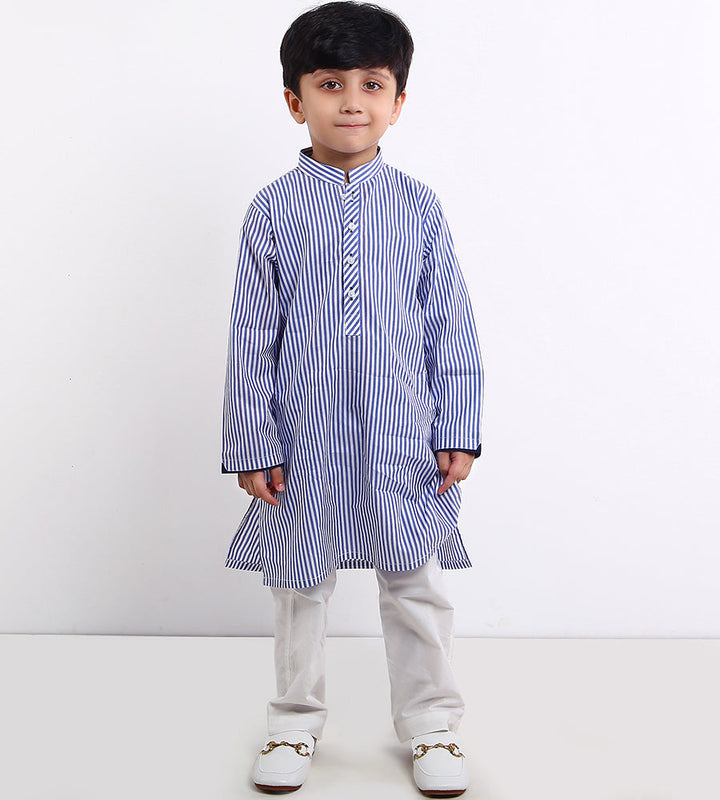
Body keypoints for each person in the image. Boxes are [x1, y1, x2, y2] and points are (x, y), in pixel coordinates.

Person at [221, 2, 484, 795]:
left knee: (414, 584)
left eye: (373, 84)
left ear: (398, 101)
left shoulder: (419, 206)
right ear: (294, 99)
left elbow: (450, 325)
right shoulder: (272, 209)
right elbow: (250, 335)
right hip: (302, 441)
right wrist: (253, 442)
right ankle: (293, 723)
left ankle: (432, 725)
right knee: (299, 586)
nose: (352, 102)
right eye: (330, 84)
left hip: (403, 437)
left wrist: (458, 428)